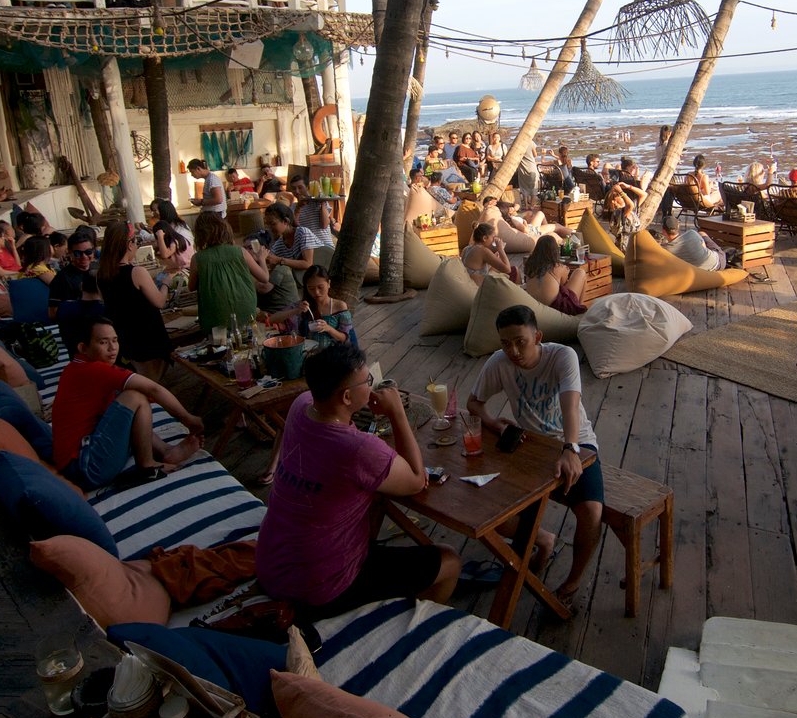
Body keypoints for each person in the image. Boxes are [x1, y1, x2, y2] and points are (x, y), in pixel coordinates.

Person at [255, 342, 460, 609]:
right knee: (450, 561)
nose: (372, 385)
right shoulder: (358, 450)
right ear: (347, 398)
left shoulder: (301, 406)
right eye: (368, 381)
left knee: (374, 501)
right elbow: (415, 480)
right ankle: (397, 626)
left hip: (271, 564)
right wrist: (397, 412)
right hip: (319, 584)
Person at [467, 305, 604, 605]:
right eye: (505, 343)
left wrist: (570, 449)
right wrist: (493, 422)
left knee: (592, 511)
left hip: (576, 442)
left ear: (537, 336)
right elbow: (473, 403)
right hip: (528, 445)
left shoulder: (561, 356)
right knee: (486, 507)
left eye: (520, 341)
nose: (513, 350)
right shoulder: (499, 363)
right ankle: (543, 539)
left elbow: (570, 406)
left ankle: (572, 583)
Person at [51, 316, 202, 490]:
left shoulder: (77, 366)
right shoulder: (92, 369)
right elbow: (153, 389)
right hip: (84, 468)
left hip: (81, 462)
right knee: (135, 397)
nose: (112, 348)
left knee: (125, 402)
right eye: (103, 342)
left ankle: (164, 451)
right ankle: (147, 467)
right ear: (83, 348)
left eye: (115, 340)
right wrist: (188, 419)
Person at [97, 225, 173, 381]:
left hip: (124, 335)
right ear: (129, 244)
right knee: (151, 381)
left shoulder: (101, 275)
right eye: (136, 241)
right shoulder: (136, 272)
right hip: (146, 336)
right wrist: (166, 284)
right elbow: (159, 302)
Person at [189, 211, 268, 333]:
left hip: (215, 315)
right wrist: (262, 259)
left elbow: (191, 287)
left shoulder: (197, 258)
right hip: (246, 307)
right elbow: (264, 278)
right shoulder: (240, 251)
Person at [47, 226, 102, 326]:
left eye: (88, 252)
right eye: (78, 253)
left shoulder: (100, 269)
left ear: (93, 251)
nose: (84, 257)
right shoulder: (62, 278)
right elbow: (53, 313)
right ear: (70, 253)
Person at [524, 235, 588, 315]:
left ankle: (578, 309)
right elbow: (564, 286)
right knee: (580, 272)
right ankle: (579, 311)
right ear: (555, 250)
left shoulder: (530, 266)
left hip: (535, 306)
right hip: (556, 308)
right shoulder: (557, 267)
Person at [260, 202, 317, 275]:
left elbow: (308, 264)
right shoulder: (278, 246)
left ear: (286, 221)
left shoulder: (303, 233)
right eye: (267, 225)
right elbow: (270, 266)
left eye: (273, 224)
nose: (269, 228)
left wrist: (279, 260)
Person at [658, 214, 725, 271]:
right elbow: (703, 246)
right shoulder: (692, 233)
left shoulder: (666, 250)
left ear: (664, 231)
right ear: (678, 227)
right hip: (718, 261)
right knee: (702, 233)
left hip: (703, 271)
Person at [462, 223, 514, 287]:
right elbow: (507, 269)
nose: (494, 240)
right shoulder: (483, 250)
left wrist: (494, 257)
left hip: (467, 286)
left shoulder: (466, 249)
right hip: (478, 290)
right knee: (515, 271)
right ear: (484, 238)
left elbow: (478, 268)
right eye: (493, 237)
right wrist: (501, 249)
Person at [604, 157, 648, 224]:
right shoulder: (622, 212)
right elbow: (631, 204)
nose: (622, 197)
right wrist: (624, 190)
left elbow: (644, 195)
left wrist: (625, 188)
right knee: (646, 177)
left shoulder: (618, 177)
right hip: (628, 229)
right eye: (633, 167)